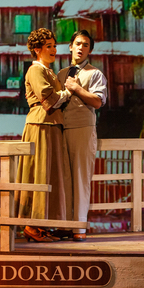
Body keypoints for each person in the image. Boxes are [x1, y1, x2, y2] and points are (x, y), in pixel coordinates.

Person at [15, 28, 71, 242]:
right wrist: (68, 92)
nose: (54, 50)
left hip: (52, 124)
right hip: (40, 125)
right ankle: (32, 224)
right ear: (37, 50)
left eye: (55, 46)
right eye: (49, 46)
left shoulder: (48, 71)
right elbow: (50, 99)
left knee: (51, 174)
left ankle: (46, 223)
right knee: (38, 173)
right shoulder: (36, 70)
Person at [53, 30, 108, 242]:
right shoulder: (61, 73)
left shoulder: (95, 74)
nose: (80, 48)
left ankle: (79, 227)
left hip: (83, 129)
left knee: (80, 178)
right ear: (70, 46)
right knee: (64, 179)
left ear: (90, 50)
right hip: (61, 129)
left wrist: (76, 88)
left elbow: (97, 102)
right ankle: (65, 224)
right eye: (77, 43)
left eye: (85, 45)